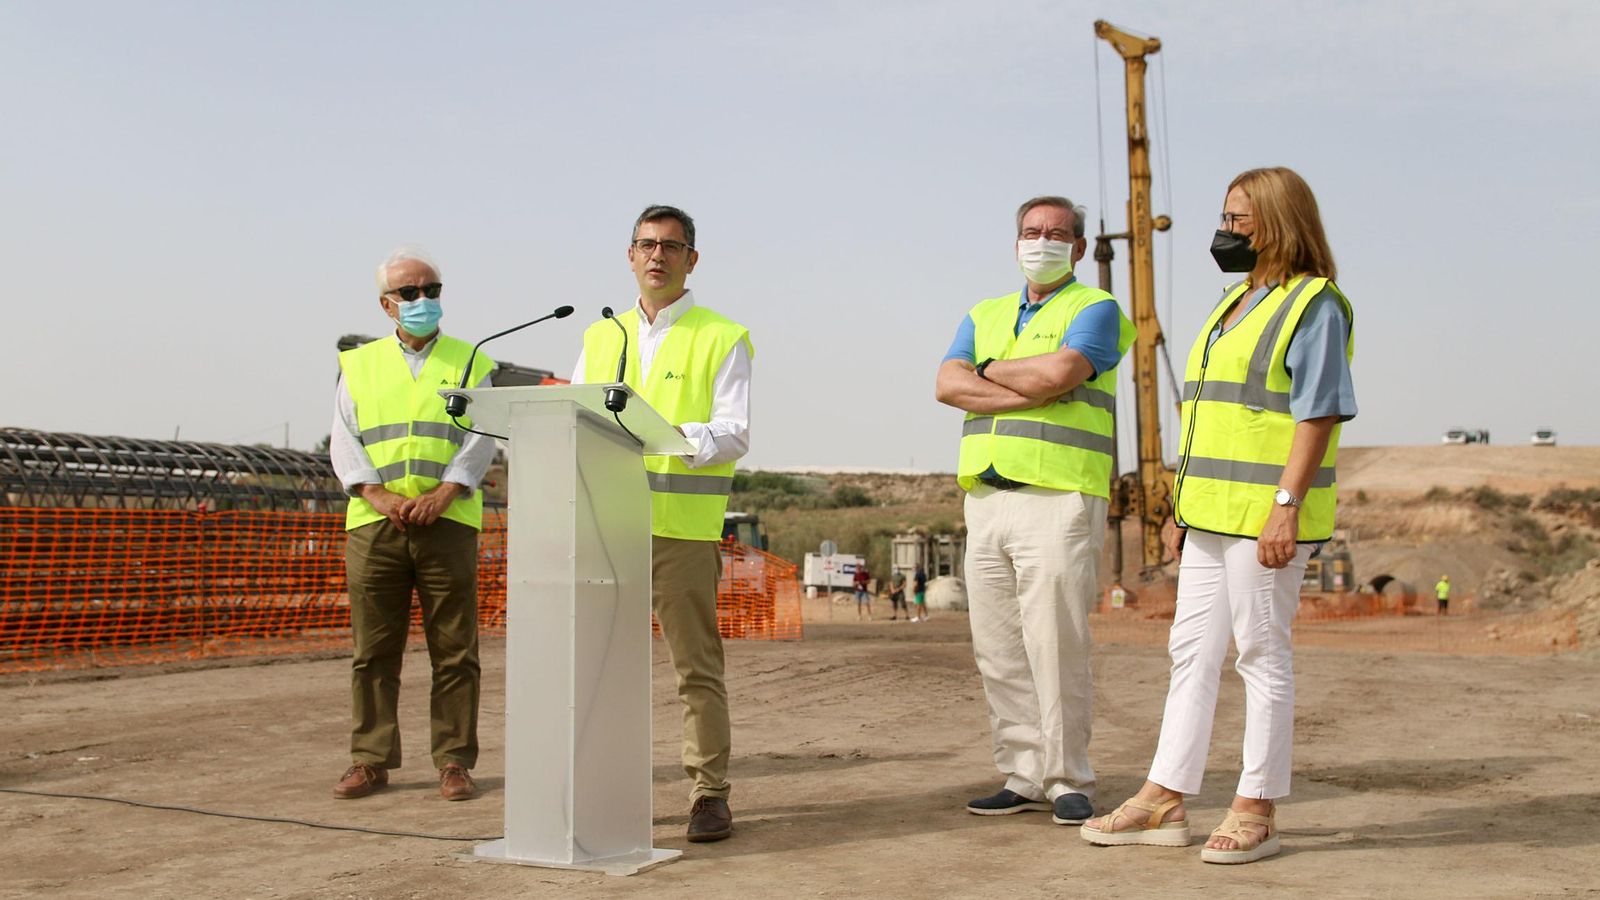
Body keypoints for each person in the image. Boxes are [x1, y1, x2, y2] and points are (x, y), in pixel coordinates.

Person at [1080, 167, 1357, 864]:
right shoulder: (1232, 302)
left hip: (1264, 518)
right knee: (1191, 654)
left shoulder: (1314, 304)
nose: (1225, 231)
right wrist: (1180, 506)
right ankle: (1164, 796)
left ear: (1278, 222)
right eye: (1225, 217)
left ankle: (1256, 806)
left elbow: (1318, 414)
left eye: (1239, 220)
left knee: (1261, 654)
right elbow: (1208, 417)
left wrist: (1285, 509)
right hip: (1208, 516)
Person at [934, 195, 1135, 826]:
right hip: (987, 500)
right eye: (1030, 231)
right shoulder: (984, 312)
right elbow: (946, 384)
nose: (1041, 241)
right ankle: (1023, 773)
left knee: (1055, 644)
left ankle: (1068, 777)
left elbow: (1061, 373)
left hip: (1058, 498)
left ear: (1079, 248)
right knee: (998, 648)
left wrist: (988, 371)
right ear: (1015, 242)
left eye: (1055, 233)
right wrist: (1026, 386)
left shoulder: (1096, 309)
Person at [571, 205, 752, 843]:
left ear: (691, 260)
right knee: (598, 665)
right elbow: (573, 419)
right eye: (646, 244)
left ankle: (709, 793)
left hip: (682, 529)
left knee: (694, 669)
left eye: (671, 246)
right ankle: (600, 788)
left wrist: (667, 434)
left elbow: (734, 432)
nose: (657, 255)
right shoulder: (600, 336)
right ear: (630, 255)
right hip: (607, 528)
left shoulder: (722, 336)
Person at [328, 246, 496, 802]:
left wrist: (447, 491)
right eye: (410, 292)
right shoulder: (359, 364)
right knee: (373, 651)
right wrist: (375, 493)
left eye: (432, 290)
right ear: (387, 304)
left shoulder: (472, 361)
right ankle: (370, 758)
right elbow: (345, 438)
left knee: (455, 650)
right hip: (375, 525)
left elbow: (481, 436)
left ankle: (455, 760)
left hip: (448, 521)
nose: (423, 299)